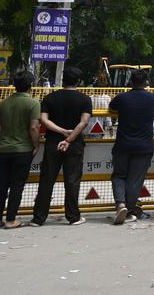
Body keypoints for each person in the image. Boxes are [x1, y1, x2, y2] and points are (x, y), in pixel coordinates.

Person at [31, 67, 92, 226]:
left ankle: (38, 218)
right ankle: (73, 216)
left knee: (47, 180)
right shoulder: (85, 99)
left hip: (52, 143)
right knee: (72, 180)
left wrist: (61, 131)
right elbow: (83, 122)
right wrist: (69, 139)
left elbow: (44, 120)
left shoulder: (50, 98)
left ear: (63, 80)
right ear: (78, 82)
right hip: (74, 145)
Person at [109, 69, 154, 225]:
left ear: (131, 82)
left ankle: (120, 205)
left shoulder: (122, 98)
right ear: (146, 82)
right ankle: (129, 209)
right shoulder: (153, 98)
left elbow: (112, 108)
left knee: (119, 175)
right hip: (144, 146)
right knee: (135, 180)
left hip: (123, 144)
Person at [0, 70, 40, 229]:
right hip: (23, 150)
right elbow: (33, 127)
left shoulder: (2, 103)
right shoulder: (33, 103)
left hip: (4, 150)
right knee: (17, 185)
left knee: (1, 184)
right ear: (30, 86)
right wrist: (36, 145)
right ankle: (11, 219)